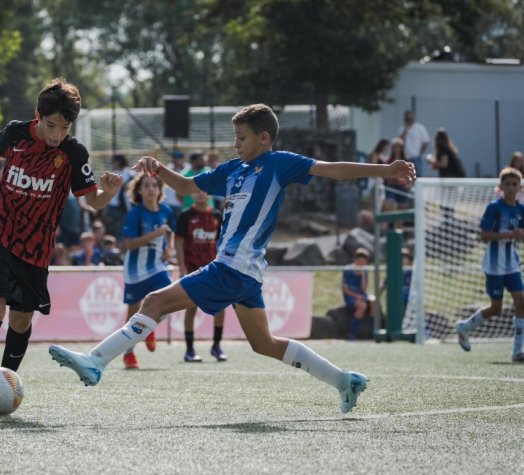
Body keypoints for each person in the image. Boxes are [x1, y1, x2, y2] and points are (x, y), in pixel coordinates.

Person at [49, 103, 416, 414]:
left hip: (233, 267)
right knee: (265, 344)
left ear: (264, 139)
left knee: (154, 301)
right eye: (235, 137)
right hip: (243, 273)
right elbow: (190, 186)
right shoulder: (231, 171)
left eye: (241, 138)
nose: (235, 144)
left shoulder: (278, 164)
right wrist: (159, 170)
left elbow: (332, 169)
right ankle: (345, 381)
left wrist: (385, 171)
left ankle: (96, 363)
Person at [0, 78, 124, 421]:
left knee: (22, 319)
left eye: (64, 127)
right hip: (2, 232)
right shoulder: (16, 134)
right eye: (51, 125)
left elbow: (92, 201)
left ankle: (2, 385)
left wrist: (107, 192)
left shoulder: (74, 152)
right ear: (38, 116)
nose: (56, 134)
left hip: (38, 244)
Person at [454, 167, 524, 362]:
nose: (511, 188)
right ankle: (464, 327)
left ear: (520, 187)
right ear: (501, 187)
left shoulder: (520, 209)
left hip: (512, 264)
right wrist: (508, 235)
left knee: (521, 302)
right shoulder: (494, 207)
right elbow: (484, 235)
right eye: (507, 184)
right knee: (496, 308)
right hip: (494, 266)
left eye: (514, 184)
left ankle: (518, 351)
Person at [119, 172, 175, 369]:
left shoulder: (167, 211)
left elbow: (171, 233)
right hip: (135, 270)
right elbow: (129, 244)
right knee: (132, 314)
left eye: (154, 185)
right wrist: (156, 234)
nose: (151, 188)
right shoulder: (135, 213)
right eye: (146, 185)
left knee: (171, 298)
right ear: (139, 190)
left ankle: (149, 327)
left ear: (160, 190)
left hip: (158, 267)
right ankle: (129, 353)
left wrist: (169, 249)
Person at [175, 190, 226, 362]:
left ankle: (216, 346)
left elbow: (221, 241)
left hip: (213, 269)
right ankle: (189, 349)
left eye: (205, 191)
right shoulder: (186, 215)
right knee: (191, 307)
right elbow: (179, 241)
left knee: (221, 306)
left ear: (210, 194)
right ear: (193, 195)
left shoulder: (217, 215)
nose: (202, 194)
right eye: (197, 191)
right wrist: (182, 266)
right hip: (192, 269)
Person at [342, 248, 375, 340]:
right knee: (362, 306)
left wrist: (363, 276)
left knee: (373, 301)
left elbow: (364, 289)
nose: (361, 264)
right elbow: (345, 289)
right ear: (355, 260)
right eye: (359, 261)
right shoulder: (348, 270)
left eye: (363, 262)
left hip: (362, 295)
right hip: (351, 297)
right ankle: (352, 333)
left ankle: (373, 331)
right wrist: (356, 296)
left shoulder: (364, 270)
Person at [101, 154, 135, 242]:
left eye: (115, 161)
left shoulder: (129, 173)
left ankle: (120, 250)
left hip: (123, 207)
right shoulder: (113, 172)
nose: (113, 163)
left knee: (121, 229)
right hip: (111, 206)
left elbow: (132, 187)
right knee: (109, 229)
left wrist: (123, 184)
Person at [398, 110, 430, 177]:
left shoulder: (420, 128)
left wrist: (420, 153)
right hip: (405, 157)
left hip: (416, 157)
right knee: (406, 176)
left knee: (417, 175)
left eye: (411, 117)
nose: (409, 119)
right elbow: (400, 141)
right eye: (408, 118)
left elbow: (426, 141)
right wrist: (406, 129)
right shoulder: (402, 128)